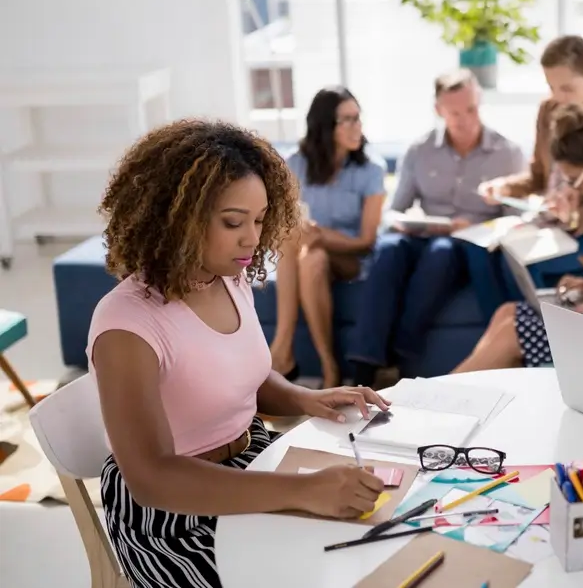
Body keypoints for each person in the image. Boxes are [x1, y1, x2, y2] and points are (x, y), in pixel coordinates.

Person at [88, 119, 389, 588]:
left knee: (366, 550)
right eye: (233, 222)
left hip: (253, 459)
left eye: (260, 219)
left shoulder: (228, 278)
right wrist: (306, 490)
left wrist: (305, 399)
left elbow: (233, 374)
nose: (252, 238)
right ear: (177, 217)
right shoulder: (126, 324)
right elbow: (151, 476)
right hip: (171, 512)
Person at [454, 103, 583, 372]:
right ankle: (438, 397)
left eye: (574, 180)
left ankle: (431, 401)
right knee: (507, 313)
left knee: (512, 334)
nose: (573, 190)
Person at [349, 70, 525, 387]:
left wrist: (476, 225)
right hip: (425, 234)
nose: (465, 119)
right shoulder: (420, 150)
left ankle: (401, 355)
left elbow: (517, 220)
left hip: (470, 243)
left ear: (479, 102)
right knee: (389, 249)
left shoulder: (507, 153)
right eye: (455, 113)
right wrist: (406, 223)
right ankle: (364, 365)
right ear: (438, 110)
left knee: (441, 252)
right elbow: (395, 210)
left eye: (471, 109)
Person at [480, 35, 583, 291]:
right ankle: (513, 324)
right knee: (483, 252)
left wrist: (576, 216)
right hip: (550, 224)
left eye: (567, 88)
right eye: (551, 87)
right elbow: (538, 177)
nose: (559, 98)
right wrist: (504, 188)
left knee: (518, 262)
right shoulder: (548, 111)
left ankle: (532, 326)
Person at [269, 86, 387, 388]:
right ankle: (329, 366)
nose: (356, 126)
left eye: (357, 118)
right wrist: (314, 237)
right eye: (346, 120)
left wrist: (322, 234)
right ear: (324, 125)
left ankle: (281, 350)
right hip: (309, 252)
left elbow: (366, 241)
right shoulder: (296, 163)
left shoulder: (371, 169)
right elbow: (281, 220)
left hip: (353, 256)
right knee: (310, 256)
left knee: (302, 237)